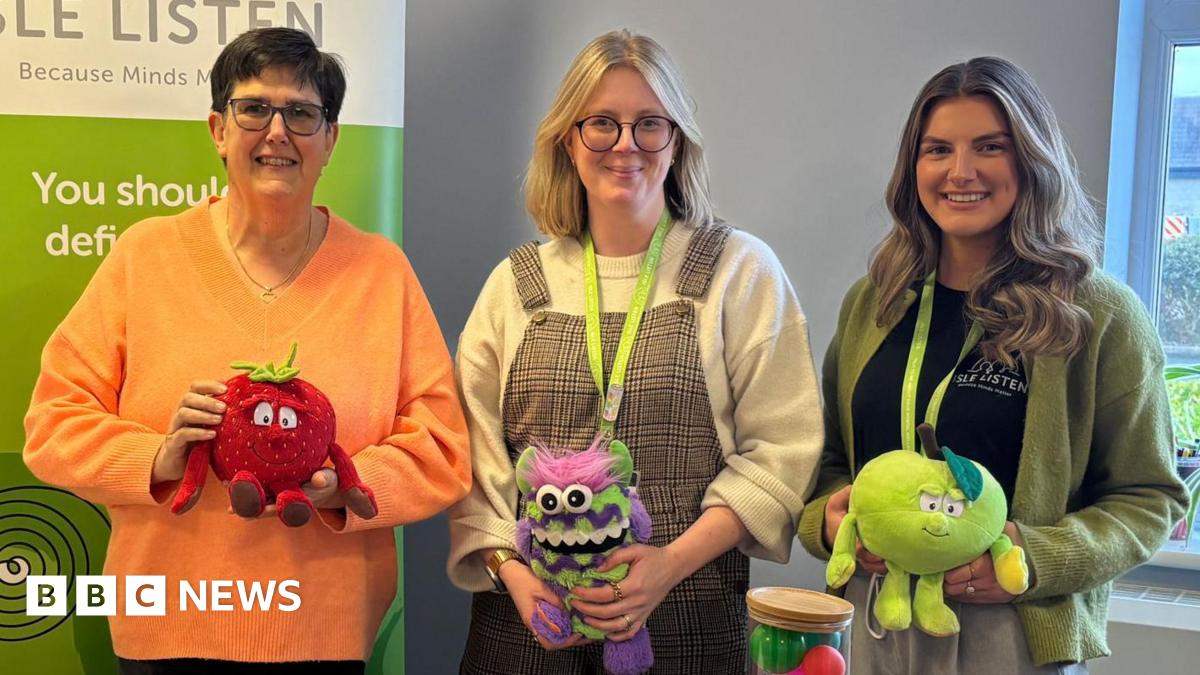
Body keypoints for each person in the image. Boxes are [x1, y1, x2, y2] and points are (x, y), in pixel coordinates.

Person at [23, 27, 471, 675]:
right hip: (166, 620)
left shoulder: (381, 271)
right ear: (218, 129)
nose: (277, 131)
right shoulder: (144, 256)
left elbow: (442, 444)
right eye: (254, 108)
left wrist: (343, 481)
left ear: (331, 139)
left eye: (302, 113)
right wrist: (158, 454)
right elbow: (53, 423)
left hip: (323, 623)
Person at [446, 29, 823, 674]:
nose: (626, 145)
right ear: (569, 139)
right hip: (527, 636)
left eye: (650, 125)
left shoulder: (738, 272)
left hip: (690, 627)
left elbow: (782, 451)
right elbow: (472, 454)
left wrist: (666, 565)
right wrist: (512, 573)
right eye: (603, 124)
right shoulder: (517, 284)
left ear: (677, 143)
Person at [796, 56, 1189, 674]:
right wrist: (829, 519)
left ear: (1030, 162)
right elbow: (825, 461)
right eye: (937, 150)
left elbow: (1152, 497)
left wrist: (1033, 559)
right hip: (871, 623)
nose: (961, 171)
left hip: (1013, 633)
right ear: (912, 168)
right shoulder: (877, 300)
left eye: (989, 147)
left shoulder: (1096, 313)